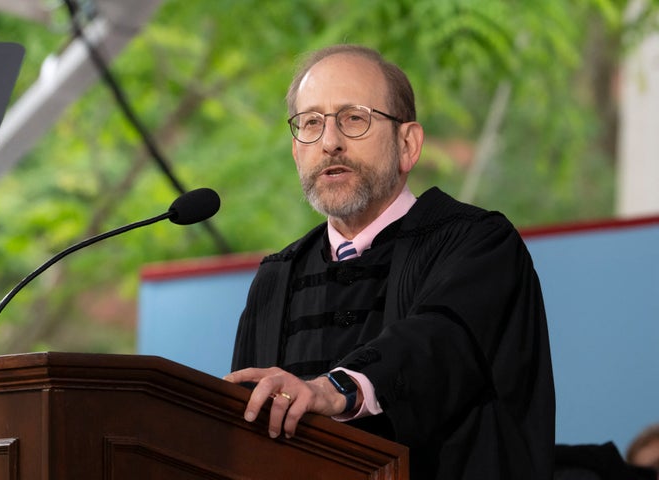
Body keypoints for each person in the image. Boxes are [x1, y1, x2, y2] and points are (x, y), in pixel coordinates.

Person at [224, 44, 555, 479]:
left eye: (354, 119)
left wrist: (334, 389)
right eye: (311, 124)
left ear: (408, 144)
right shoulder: (274, 279)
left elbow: (437, 342)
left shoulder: (478, 243)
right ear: (296, 152)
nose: (330, 143)